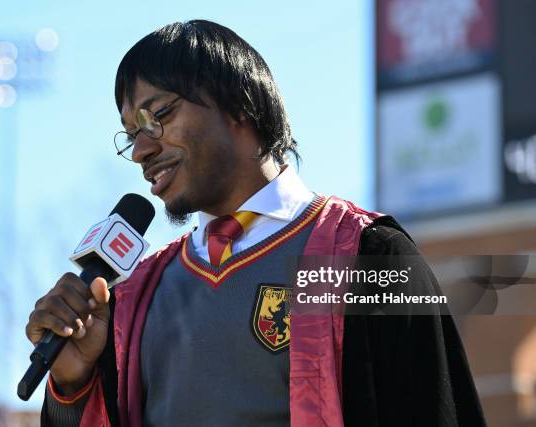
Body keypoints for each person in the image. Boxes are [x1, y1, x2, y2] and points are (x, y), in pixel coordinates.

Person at [25, 20, 486, 427]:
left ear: (240, 105)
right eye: (130, 135)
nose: (142, 150)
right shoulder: (129, 301)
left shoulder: (369, 255)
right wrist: (73, 384)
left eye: (158, 116)